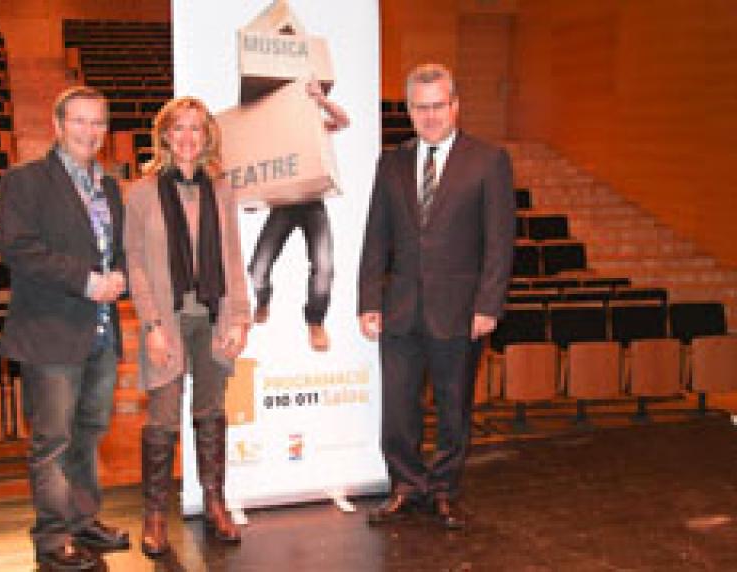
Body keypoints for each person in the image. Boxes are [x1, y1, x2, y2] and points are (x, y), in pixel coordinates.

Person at [358, 64, 515, 530]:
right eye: (420, 107)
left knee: (453, 407)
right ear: (409, 110)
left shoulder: (488, 161)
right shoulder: (391, 163)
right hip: (400, 309)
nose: (429, 116)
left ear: (455, 106)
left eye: (438, 106)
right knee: (397, 407)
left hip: (461, 311)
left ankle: (444, 489)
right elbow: (375, 237)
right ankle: (406, 486)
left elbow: (500, 240)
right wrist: (369, 300)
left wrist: (488, 305)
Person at [0, 86, 130, 570]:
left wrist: (121, 276)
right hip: (50, 333)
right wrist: (89, 281)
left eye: (98, 123)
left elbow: (116, 251)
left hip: (102, 333)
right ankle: (52, 538)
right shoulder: (25, 181)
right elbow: (19, 250)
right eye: (79, 121)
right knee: (52, 443)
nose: (89, 131)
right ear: (58, 125)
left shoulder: (109, 186)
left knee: (89, 434)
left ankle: (82, 519)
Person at [124, 97, 251, 555]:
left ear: (207, 136)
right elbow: (136, 264)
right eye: (178, 128)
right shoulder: (141, 193)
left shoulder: (221, 189)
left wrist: (239, 317)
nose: (187, 137)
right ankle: (156, 514)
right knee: (162, 416)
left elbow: (232, 256)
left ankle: (215, 504)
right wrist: (152, 324)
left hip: (213, 318)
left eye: (196, 128)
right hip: (167, 320)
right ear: (164, 135)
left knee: (211, 411)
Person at [248, 80, 349, 351]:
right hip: (283, 204)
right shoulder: (272, 135)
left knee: (324, 266)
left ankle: (315, 321)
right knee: (258, 268)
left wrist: (321, 101)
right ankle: (263, 300)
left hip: (313, 203)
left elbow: (343, 121)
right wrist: (253, 198)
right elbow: (257, 170)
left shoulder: (314, 125)